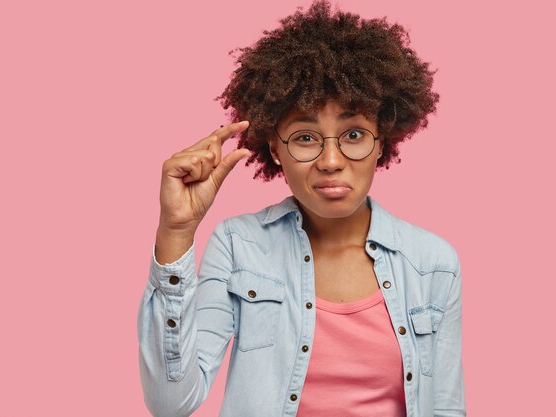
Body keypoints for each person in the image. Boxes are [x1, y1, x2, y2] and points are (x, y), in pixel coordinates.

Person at [137, 1, 465, 416]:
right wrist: (176, 231)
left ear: (381, 141)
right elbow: (170, 404)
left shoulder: (433, 264)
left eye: (354, 134)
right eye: (306, 137)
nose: (331, 160)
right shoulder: (241, 246)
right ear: (275, 147)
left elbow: (447, 407)